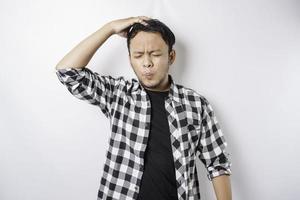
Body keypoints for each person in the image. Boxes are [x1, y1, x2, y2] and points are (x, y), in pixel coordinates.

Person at [55, 16, 232, 200]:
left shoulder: (196, 104)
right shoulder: (119, 94)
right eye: (138, 55)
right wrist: (109, 28)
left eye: (155, 54)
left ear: (171, 56)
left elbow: (217, 162)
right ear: (130, 59)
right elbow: (67, 72)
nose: (147, 63)